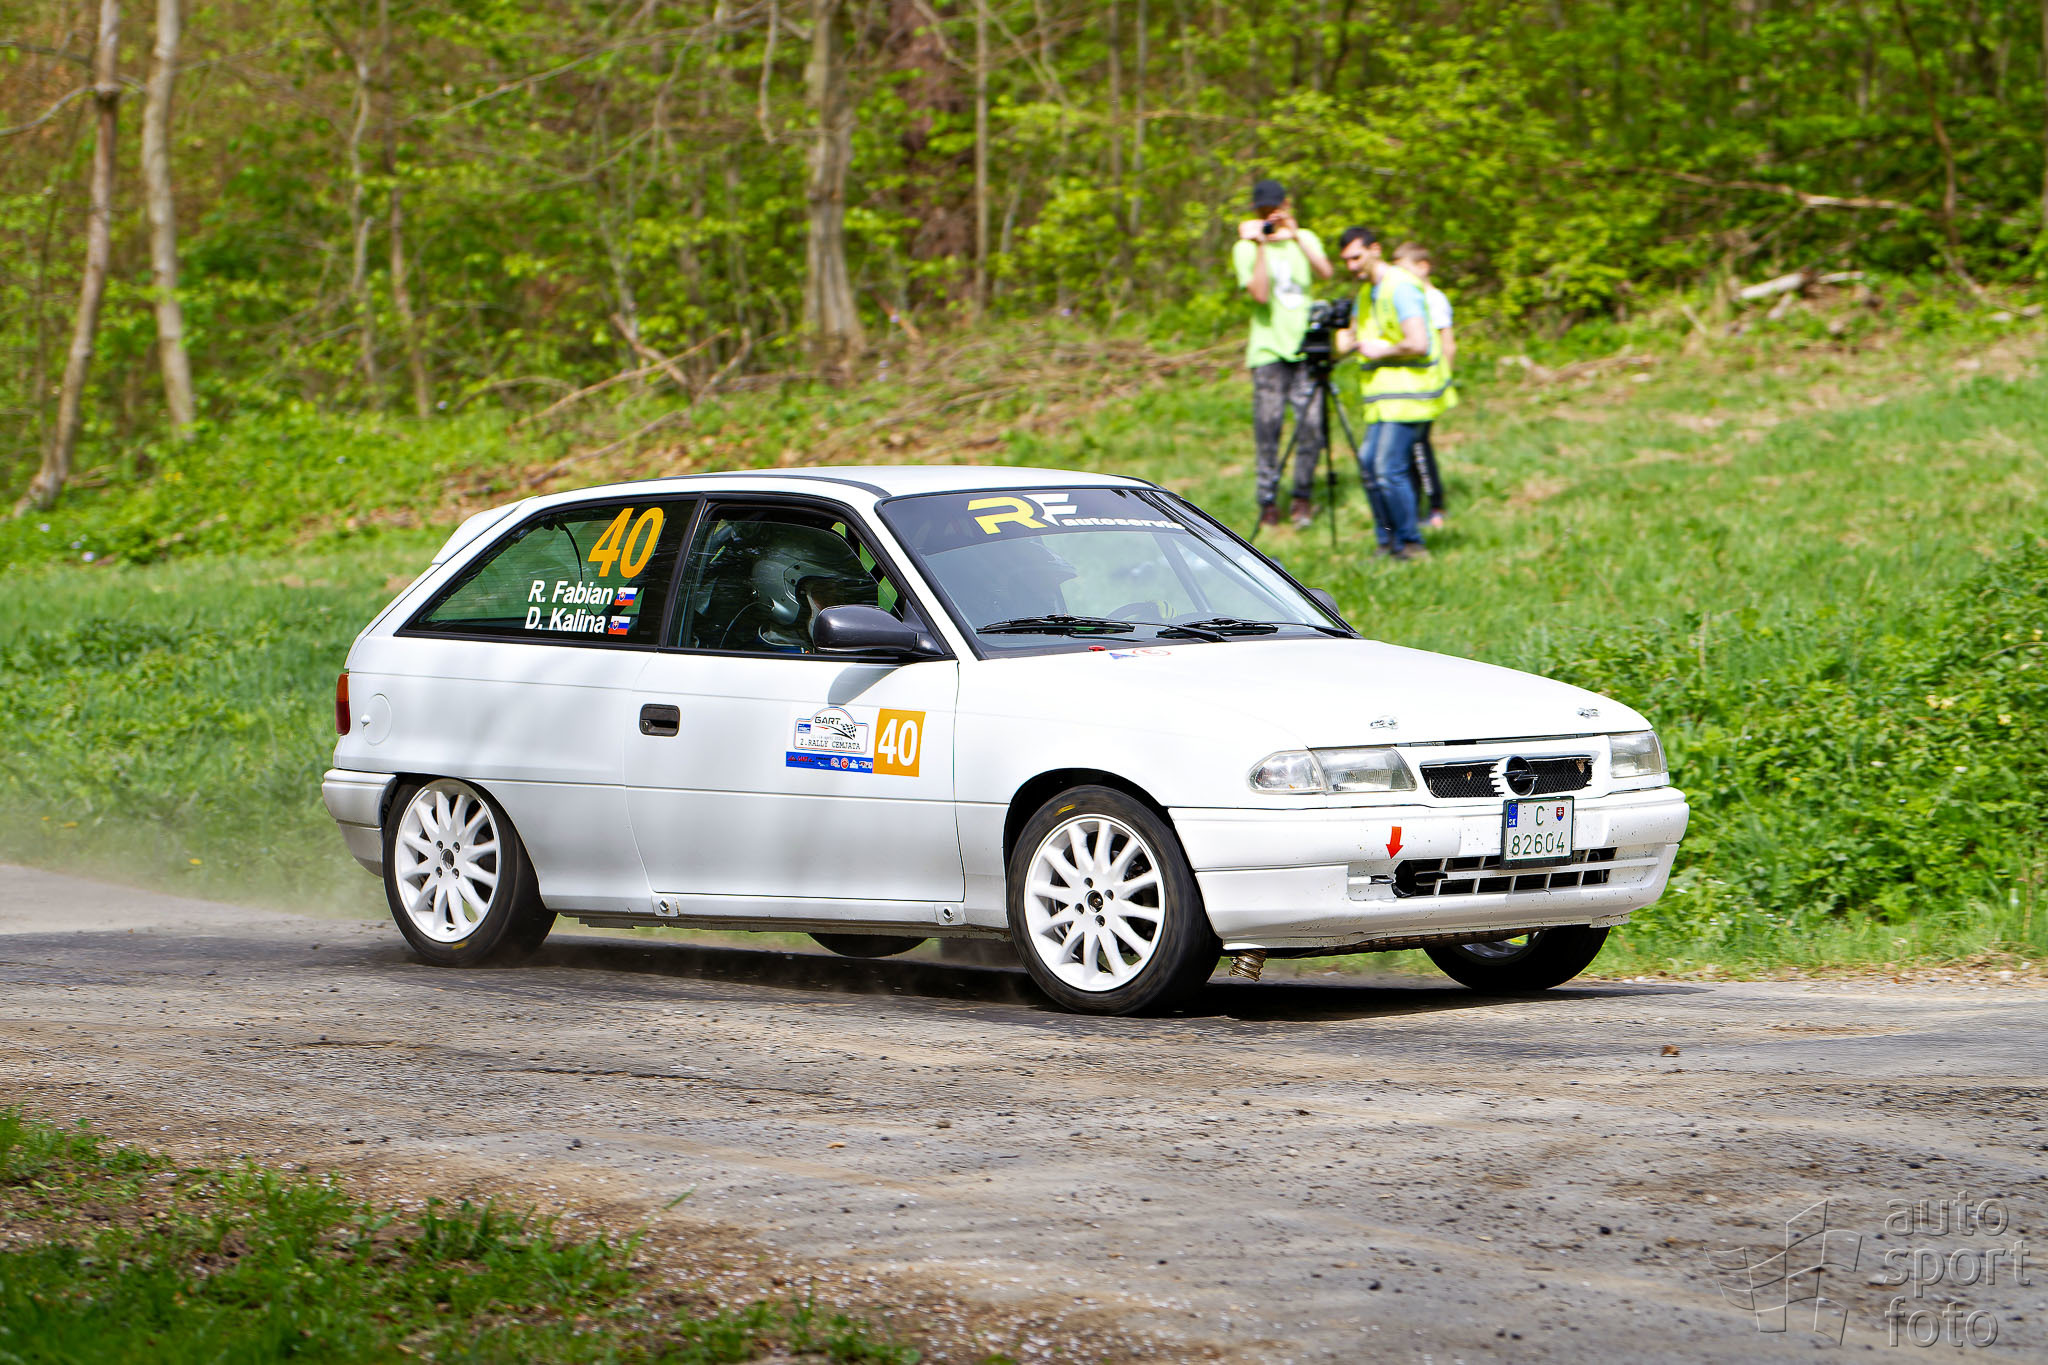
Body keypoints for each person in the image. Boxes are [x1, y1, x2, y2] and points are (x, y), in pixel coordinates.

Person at [1334, 227, 1453, 561]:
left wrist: (1381, 349)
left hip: (1410, 395)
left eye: (1357, 257)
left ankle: (1411, 544)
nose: (1352, 266)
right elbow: (1351, 339)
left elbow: (1418, 342)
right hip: (1384, 398)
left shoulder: (1400, 287)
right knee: (1370, 466)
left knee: (1388, 469)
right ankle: (1387, 543)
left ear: (1375, 249)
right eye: (1346, 261)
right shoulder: (1366, 293)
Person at [1231, 178, 1333, 530]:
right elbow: (1259, 294)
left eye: (1275, 210)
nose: (1270, 217)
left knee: (1311, 427)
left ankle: (1302, 497)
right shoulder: (1245, 248)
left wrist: (1296, 233)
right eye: (1264, 212)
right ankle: (1268, 501)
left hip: (1306, 348)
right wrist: (1260, 244)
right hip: (1268, 351)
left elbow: (1326, 271)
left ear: (1287, 206)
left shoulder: (1304, 239)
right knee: (1268, 429)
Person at [1392, 242, 1458, 530]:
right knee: (1410, 448)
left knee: (1419, 447)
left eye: (1405, 269)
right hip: (1411, 386)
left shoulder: (1433, 299)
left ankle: (1435, 506)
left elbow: (1448, 344)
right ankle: (1416, 506)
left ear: (1423, 267)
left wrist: (1443, 379)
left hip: (1429, 385)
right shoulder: (1407, 296)